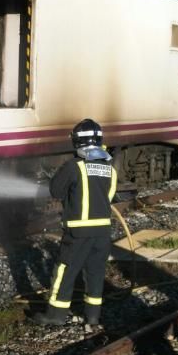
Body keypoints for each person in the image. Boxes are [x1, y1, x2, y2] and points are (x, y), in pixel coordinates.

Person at [30, 118, 117, 326]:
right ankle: (93, 316)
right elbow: (109, 196)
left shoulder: (74, 166)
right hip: (103, 233)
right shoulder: (110, 168)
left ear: (78, 142)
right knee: (95, 274)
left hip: (78, 233)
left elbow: (56, 191)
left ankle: (56, 315)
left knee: (65, 272)